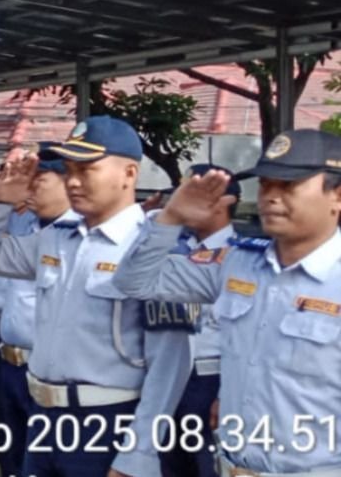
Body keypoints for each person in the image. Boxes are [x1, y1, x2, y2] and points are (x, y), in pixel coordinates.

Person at [0, 116, 191, 477]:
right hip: (44, 416)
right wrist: (0, 203)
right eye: (69, 170)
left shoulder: (153, 249)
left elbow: (170, 366)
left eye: (87, 169)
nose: (73, 181)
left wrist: (138, 454)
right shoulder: (57, 238)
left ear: (129, 174)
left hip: (108, 422)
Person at [115, 128, 341, 477]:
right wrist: (170, 219)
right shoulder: (238, 263)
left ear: (336, 195)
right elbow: (134, 282)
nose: (271, 197)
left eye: (289, 186)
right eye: (265, 185)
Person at [0, 149, 78, 477]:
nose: (30, 188)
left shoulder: (80, 238)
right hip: (8, 359)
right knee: (11, 455)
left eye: (39, 180)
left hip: (46, 369)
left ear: (68, 183)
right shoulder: (32, 232)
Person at [155, 164, 238, 477]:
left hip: (210, 379)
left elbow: (243, 337)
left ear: (224, 202)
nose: (183, 201)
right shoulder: (174, 247)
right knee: (169, 465)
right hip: (168, 375)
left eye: (194, 194)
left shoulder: (241, 256)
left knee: (206, 467)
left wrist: (225, 394)